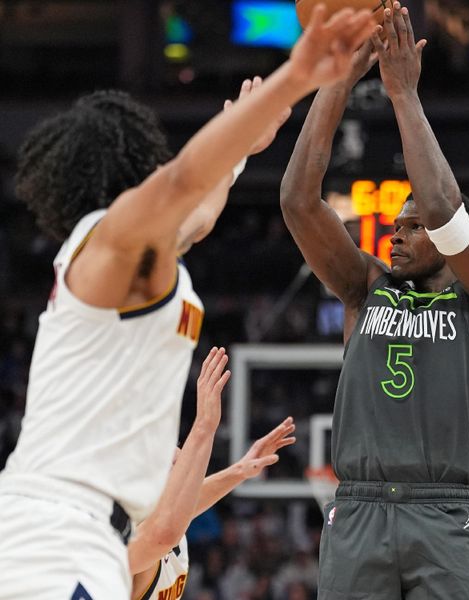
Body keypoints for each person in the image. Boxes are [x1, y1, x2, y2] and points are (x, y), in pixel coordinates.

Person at [0, 7, 376, 598]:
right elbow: (180, 186)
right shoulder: (107, 244)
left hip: (83, 531)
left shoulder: (137, 255)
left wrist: (243, 151)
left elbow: (196, 215)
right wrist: (297, 73)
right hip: (55, 530)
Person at [279, 4, 469, 597]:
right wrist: (336, 81)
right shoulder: (366, 287)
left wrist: (403, 96)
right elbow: (297, 201)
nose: (398, 231)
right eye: (398, 221)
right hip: (359, 509)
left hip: (444, 513)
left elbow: (443, 211)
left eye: (411, 226)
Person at [128, 347, 296, 600]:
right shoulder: (131, 537)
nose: (180, 455)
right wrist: (204, 425)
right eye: (173, 459)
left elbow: (189, 502)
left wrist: (240, 470)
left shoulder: (167, 519)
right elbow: (164, 532)